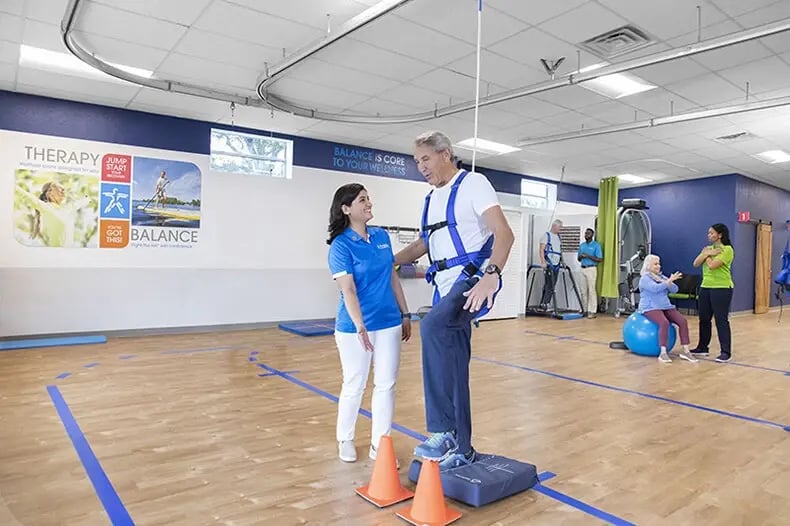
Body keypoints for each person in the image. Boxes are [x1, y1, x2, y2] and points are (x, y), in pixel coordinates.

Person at [394, 130, 514, 471]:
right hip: (442, 285)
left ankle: (443, 430)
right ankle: (463, 447)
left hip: (474, 279)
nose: (421, 167)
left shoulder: (474, 184)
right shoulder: (430, 199)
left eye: (425, 159)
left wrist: (492, 276)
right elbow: (422, 245)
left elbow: (504, 234)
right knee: (455, 364)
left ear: (445, 153)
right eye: (417, 161)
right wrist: (390, 261)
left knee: (431, 325)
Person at [326, 183, 412, 464]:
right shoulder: (340, 245)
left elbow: (392, 277)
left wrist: (405, 313)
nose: (369, 203)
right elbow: (347, 290)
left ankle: (380, 444)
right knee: (355, 383)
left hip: (389, 322)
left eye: (369, 199)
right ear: (346, 208)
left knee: (387, 384)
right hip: (354, 327)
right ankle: (345, 438)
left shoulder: (382, 236)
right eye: (362, 200)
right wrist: (360, 325)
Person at [637, 254, 698, 363]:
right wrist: (668, 282)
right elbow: (655, 289)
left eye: (659, 264)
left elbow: (675, 289)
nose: (658, 266)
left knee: (682, 321)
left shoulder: (661, 277)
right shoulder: (644, 279)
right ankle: (663, 353)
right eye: (655, 264)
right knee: (664, 322)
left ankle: (686, 351)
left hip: (665, 306)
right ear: (648, 265)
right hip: (650, 307)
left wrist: (669, 281)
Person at [690, 223, 735, 362]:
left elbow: (712, 265)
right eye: (708, 233)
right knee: (704, 318)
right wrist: (707, 253)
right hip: (706, 287)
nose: (709, 235)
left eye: (711, 233)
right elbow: (696, 263)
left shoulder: (727, 250)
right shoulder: (708, 249)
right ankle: (703, 347)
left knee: (721, 320)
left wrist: (706, 255)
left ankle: (725, 352)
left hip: (722, 288)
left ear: (720, 235)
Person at [577, 228, 603, 318]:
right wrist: (581, 256)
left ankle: (592, 311)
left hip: (591, 269)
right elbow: (578, 259)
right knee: (583, 291)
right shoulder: (582, 245)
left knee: (591, 290)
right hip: (582, 268)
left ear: (592, 235)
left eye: (588, 233)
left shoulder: (596, 246)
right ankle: (583, 309)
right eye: (585, 233)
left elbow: (600, 259)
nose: (586, 235)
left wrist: (587, 256)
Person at [539, 219, 563, 309]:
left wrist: (562, 261)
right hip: (549, 263)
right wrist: (543, 261)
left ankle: (545, 302)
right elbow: (541, 249)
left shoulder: (558, 237)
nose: (560, 229)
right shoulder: (546, 236)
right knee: (549, 283)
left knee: (552, 284)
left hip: (557, 263)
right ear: (554, 226)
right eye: (559, 227)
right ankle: (545, 303)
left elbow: (559, 250)